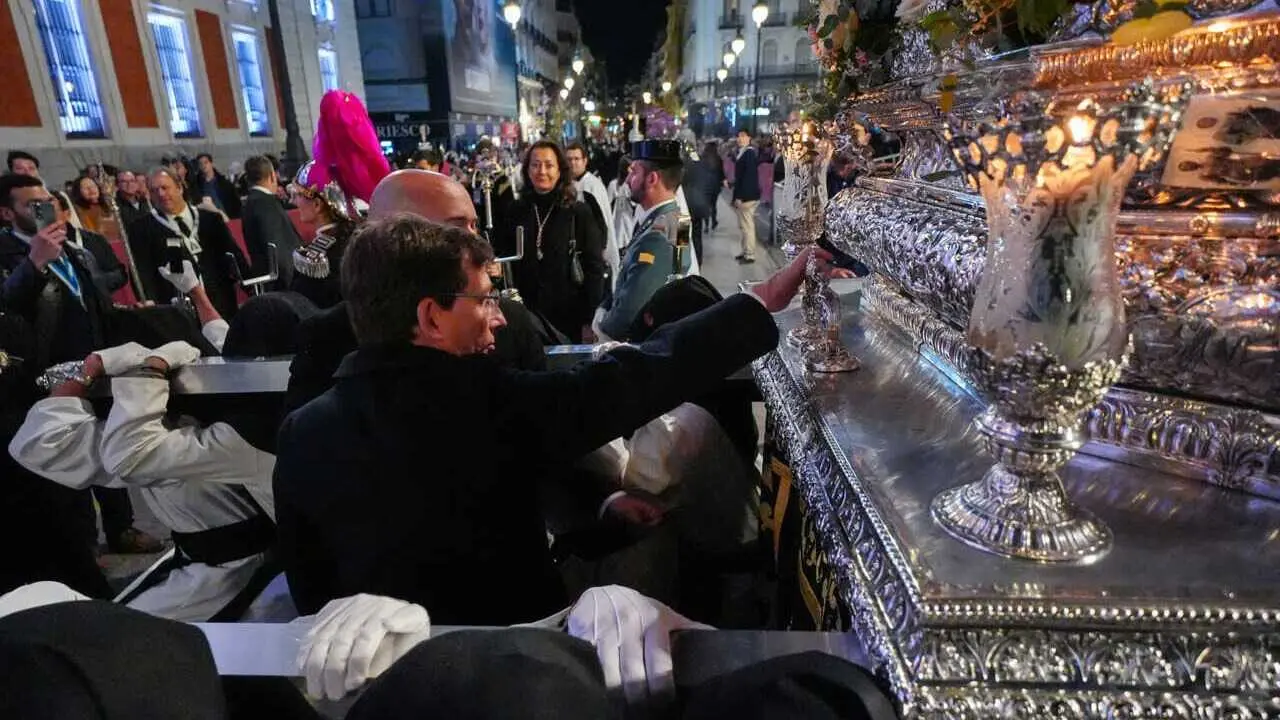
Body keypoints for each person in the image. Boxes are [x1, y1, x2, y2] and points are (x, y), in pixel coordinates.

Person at [273, 210, 829, 625]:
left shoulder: (301, 434)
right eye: (483, 299)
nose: (495, 319)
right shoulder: (486, 403)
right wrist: (760, 301)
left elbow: (312, 591)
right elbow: (636, 378)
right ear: (431, 317)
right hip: (516, 664)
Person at [0, 174, 113, 598]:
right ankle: (73, 570)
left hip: (89, 375)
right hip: (39, 389)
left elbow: (93, 307)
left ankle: (91, 547)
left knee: (95, 461)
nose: (45, 210)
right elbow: (7, 312)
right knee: (58, 482)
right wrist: (33, 265)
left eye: (48, 201)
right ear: (8, 213)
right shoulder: (13, 253)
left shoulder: (74, 251)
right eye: (32, 204)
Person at [287, 90, 391, 309]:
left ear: (317, 204)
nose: (293, 202)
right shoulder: (370, 238)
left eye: (297, 195)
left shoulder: (318, 254)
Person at [495, 141, 606, 342]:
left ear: (560, 170)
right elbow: (505, 257)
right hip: (526, 315)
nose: (541, 171)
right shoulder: (516, 210)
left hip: (570, 317)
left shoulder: (577, 211)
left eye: (549, 165)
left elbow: (594, 268)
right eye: (535, 165)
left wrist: (588, 321)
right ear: (527, 170)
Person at [596, 140, 690, 341]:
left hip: (642, 345)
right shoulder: (676, 217)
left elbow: (629, 314)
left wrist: (601, 325)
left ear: (652, 178)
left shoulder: (656, 238)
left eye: (634, 172)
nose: (628, 179)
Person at [125, 168, 249, 318]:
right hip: (178, 311)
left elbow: (233, 255)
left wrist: (250, 286)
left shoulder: (210, 220)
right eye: (154, 190)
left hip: (221, 303)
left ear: (179, 187)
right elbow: (142, 271)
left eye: (165, 188)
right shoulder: (141, 229)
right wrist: (150, 303)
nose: (161, 194)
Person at [240, 155, 301, 288]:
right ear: (272, 175)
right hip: (281, 285)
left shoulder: (252, 202)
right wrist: (293, 283)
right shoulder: (265, 203)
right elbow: (277, 248)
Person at [566, 141, 618, 287]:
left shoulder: (592, 185)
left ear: (585, 161)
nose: (573, 163)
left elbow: (602, 222)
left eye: (576, 159)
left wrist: (600, 250)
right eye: (569, 159)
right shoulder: (566, 184)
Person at [731, 128, 762, 264]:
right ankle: (745, 251)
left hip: (747, 197)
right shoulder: (744, 153)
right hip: (747, 195)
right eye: (738, 136)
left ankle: (749, 254)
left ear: (749, 138)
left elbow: (748, 178)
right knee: (744, 226)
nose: (740, 138)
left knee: (747, 226)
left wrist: (740, 196)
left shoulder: (748, 153)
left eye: (743, 136)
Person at [193, 154, 242, 220]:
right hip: (209, 221)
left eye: (206, 162)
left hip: (227, 219)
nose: (203, 165)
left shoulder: (224, 183)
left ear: (211, 164)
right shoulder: (197, 185)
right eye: (200, 164)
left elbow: (236, 203)